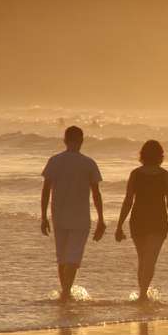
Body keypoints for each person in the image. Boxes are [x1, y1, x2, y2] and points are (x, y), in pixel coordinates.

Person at [41, 126, 105, 302]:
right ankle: (66, 293)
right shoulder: (88, 163)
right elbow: (96, 193)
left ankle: (65, 292)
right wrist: (101, 218)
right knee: (73, 258)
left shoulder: (54, 161)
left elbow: (46, 191)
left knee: (62, 258)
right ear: (82, 141)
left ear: (65, 140)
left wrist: (43, 216)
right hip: (81, 217)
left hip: (58, 216)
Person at [114, 140, 168, 302]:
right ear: (160, 156)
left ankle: (142, 294)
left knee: (144, 259)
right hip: (157, 220)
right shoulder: (165, 175)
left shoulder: (136, 174)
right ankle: (143, 294)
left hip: (139, 220)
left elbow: (127, 202)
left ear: (142, 155)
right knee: (147, 259)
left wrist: (119, 225)